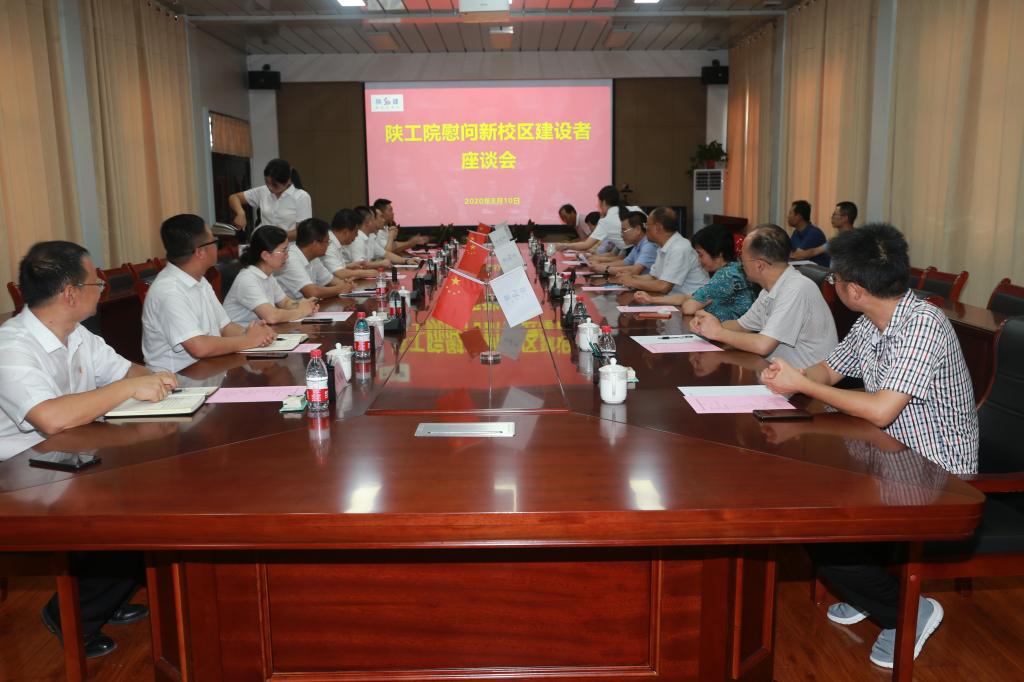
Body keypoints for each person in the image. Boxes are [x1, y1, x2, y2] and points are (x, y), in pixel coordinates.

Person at [761, 223, 978, 670]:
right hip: (889, 453)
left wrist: (803, 384)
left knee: (817, 527)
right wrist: (790, 378)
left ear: (855, 291)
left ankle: (907, 611)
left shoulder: (923, 326)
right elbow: (828, 370)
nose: (833, 284)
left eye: (834, 278)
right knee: (803, 494)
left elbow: (881, 410)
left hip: (938, 472)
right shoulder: (872, 321)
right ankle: (873, 589)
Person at [0, 241, 179, 657]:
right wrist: (130, 388)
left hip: (68, 456)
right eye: (96, 282)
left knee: (157, 492)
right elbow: (50, 417)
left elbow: (126, 372)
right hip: (17, 474)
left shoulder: (77, 333)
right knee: (131, 514)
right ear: (70, 293)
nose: (102, 288)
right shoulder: (11, 346)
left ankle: (106, 595)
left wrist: (157, 378)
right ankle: (71, 614)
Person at [143, 214, 277, 373]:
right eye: (214, 241)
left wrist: (255, 333)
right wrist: (249, 340)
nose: (216, 247)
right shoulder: (169, 291)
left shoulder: (199, 280)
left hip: (209, 370)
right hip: (178, 379)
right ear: (200, 252)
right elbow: (199, 347)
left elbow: (225, 327)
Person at [690, 224, 837, 367]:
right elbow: (741, 326)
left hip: (805, 379)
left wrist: (719, 333)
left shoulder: (795, 289)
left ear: (759, 265)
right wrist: (706, 326)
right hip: (777, 372)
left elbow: (763, 345)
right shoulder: (769, 290)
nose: (740, 263)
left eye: (742, 258)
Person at [635, 223, 758, 320]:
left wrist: (699, 301)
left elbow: (689, 308)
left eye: (700, 254)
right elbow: (688, 297)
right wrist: (652, 299)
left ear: (718, 253)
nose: (699, 261)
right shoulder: (734, 268)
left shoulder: (727, 274)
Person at [223, 226, 319, 325]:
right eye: (283, 251)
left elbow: (285, 302)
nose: (287, 255)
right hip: (241, 333)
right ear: (265, 255)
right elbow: (271, 317)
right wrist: (301, 312)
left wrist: (305, 304)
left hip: (261, 331)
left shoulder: (268, 275)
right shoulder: (247, 279)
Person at [614, 207, 708, 295]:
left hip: (695, 303)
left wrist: (631, 281)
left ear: (657, 227)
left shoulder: (679, 248)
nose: (645, 229)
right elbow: (653, 277)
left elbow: (664, 286)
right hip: (675, 300)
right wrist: (629, 277)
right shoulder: (662, 246)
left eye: (647, 225)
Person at [228, 158, 311, 241]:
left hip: (288, 246)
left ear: (288, 181)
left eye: (275, 184)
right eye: (267, 182)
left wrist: (274, 237)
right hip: (263, 244)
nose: (270, 187)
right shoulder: (263, 191)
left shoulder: (301, 196)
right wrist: (240, 213)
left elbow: (301, 232)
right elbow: (234, 197)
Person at [275, 218, 358, 300]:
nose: (328, 245)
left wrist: (346, 284)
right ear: (315, 244)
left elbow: (330, 280)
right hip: (291, 307)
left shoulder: (313, 258)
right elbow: (312, 293)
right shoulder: (290, 259)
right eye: (327, 242)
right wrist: (339, 289)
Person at [556, 186, 626, 254]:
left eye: (599, 202)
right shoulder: (627, 212)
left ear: (604, 202)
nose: (599, 206)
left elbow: (586, 244)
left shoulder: (605, 221)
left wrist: (565, 246)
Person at [592, 210, 658, 277]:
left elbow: (635, 270)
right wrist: (599, 266)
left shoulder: (649, 245)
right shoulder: (638, 244)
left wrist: (606, 268)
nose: (621, 235)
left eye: (624, 230)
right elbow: (625, 262)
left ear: (637, 229)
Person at [347, 207, 418, 267]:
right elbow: (360, 265)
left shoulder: (370, 237)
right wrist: (380, 263)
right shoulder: (358, 239)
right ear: (368, 223)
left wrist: (406, 261)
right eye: (373, 219)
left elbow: (386, 254)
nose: (383, 220)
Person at [322, 208, 379, 280]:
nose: (357, 236)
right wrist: (366, 273)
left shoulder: (337, 242)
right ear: (346, 232)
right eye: (356, 232)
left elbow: (334, 268)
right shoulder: (328, 244)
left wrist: (348, 266)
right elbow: (340, 273)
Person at [792, 201, 857, 262]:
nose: (832, 217)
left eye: (834, 214)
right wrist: (793, 256)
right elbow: (815, 251)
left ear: (845, 218)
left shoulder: (855, 240)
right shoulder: (837, 239)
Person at [787, 199, 829, 267]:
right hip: (804, 270)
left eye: (790, 213)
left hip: (817, 272)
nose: (788, 216)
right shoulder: (796, 232)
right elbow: (789, 251)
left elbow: (797, 256)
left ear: (799, 216)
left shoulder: (814, 233)